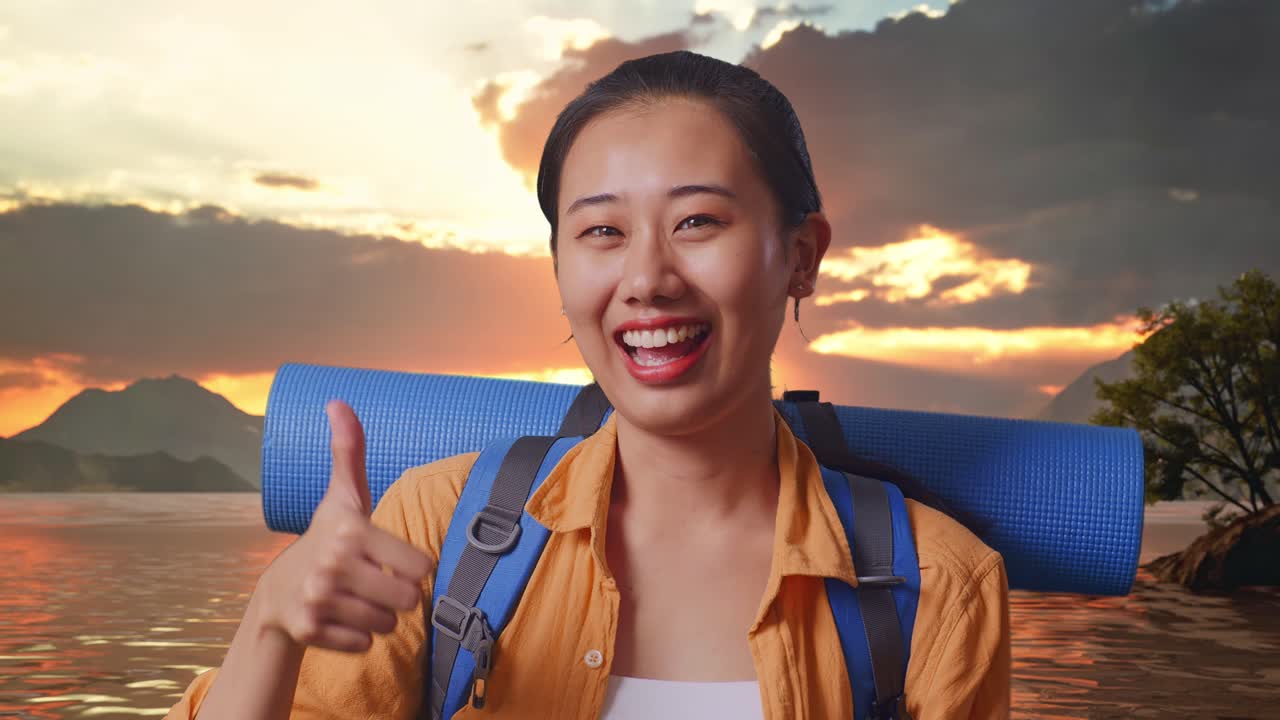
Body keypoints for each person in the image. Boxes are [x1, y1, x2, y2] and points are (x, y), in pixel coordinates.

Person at [168, 49, 1010, 720]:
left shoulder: (939, 588)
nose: (646, 278)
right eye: (602, 231)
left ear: (801, 256)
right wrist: (271, 626)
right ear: (561, 267)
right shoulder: (436, 534)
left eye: (697, 222)